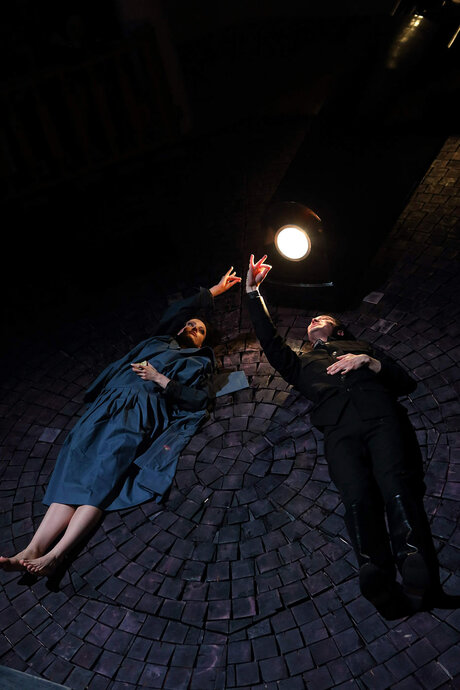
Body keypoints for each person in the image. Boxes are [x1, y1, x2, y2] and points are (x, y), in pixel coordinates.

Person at [0, 268, 243, 576]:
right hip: (104, 408)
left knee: (101, 477)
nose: (192, 328)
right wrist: (214, 291)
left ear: (202, 343)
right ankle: (32, 549)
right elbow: (175, 312)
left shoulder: (197, 361)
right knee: (73, 472)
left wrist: (159, 378)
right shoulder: (158, 342)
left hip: (137, 414)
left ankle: (57, 555)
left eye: (200, 330)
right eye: (191, 324)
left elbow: (197, 398)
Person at [246, 254, 439, 617]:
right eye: (312, 320)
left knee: (396, 486)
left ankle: (414, 561)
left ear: (338, 330)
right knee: (356, 496)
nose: (314, 320)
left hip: (381, 419)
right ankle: (375, 573)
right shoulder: (301, 364)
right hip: (339, 431)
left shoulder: (362, 349)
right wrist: (253, 294)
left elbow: (405, 382)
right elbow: (270, 342)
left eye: (323, 318)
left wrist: (370, 362)